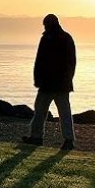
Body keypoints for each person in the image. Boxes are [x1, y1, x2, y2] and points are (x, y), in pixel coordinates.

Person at [22, 14, 76, 150]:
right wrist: (68, 79)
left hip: (49, 83)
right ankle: (68, 139)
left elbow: (39, 61)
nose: (45, 27)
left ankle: (37, 137)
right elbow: (71, 62)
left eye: (46, 25)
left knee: (41, 111)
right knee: (63, 112)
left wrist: (38, 79)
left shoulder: (47, 39)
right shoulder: (66, 38)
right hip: (60, 84)